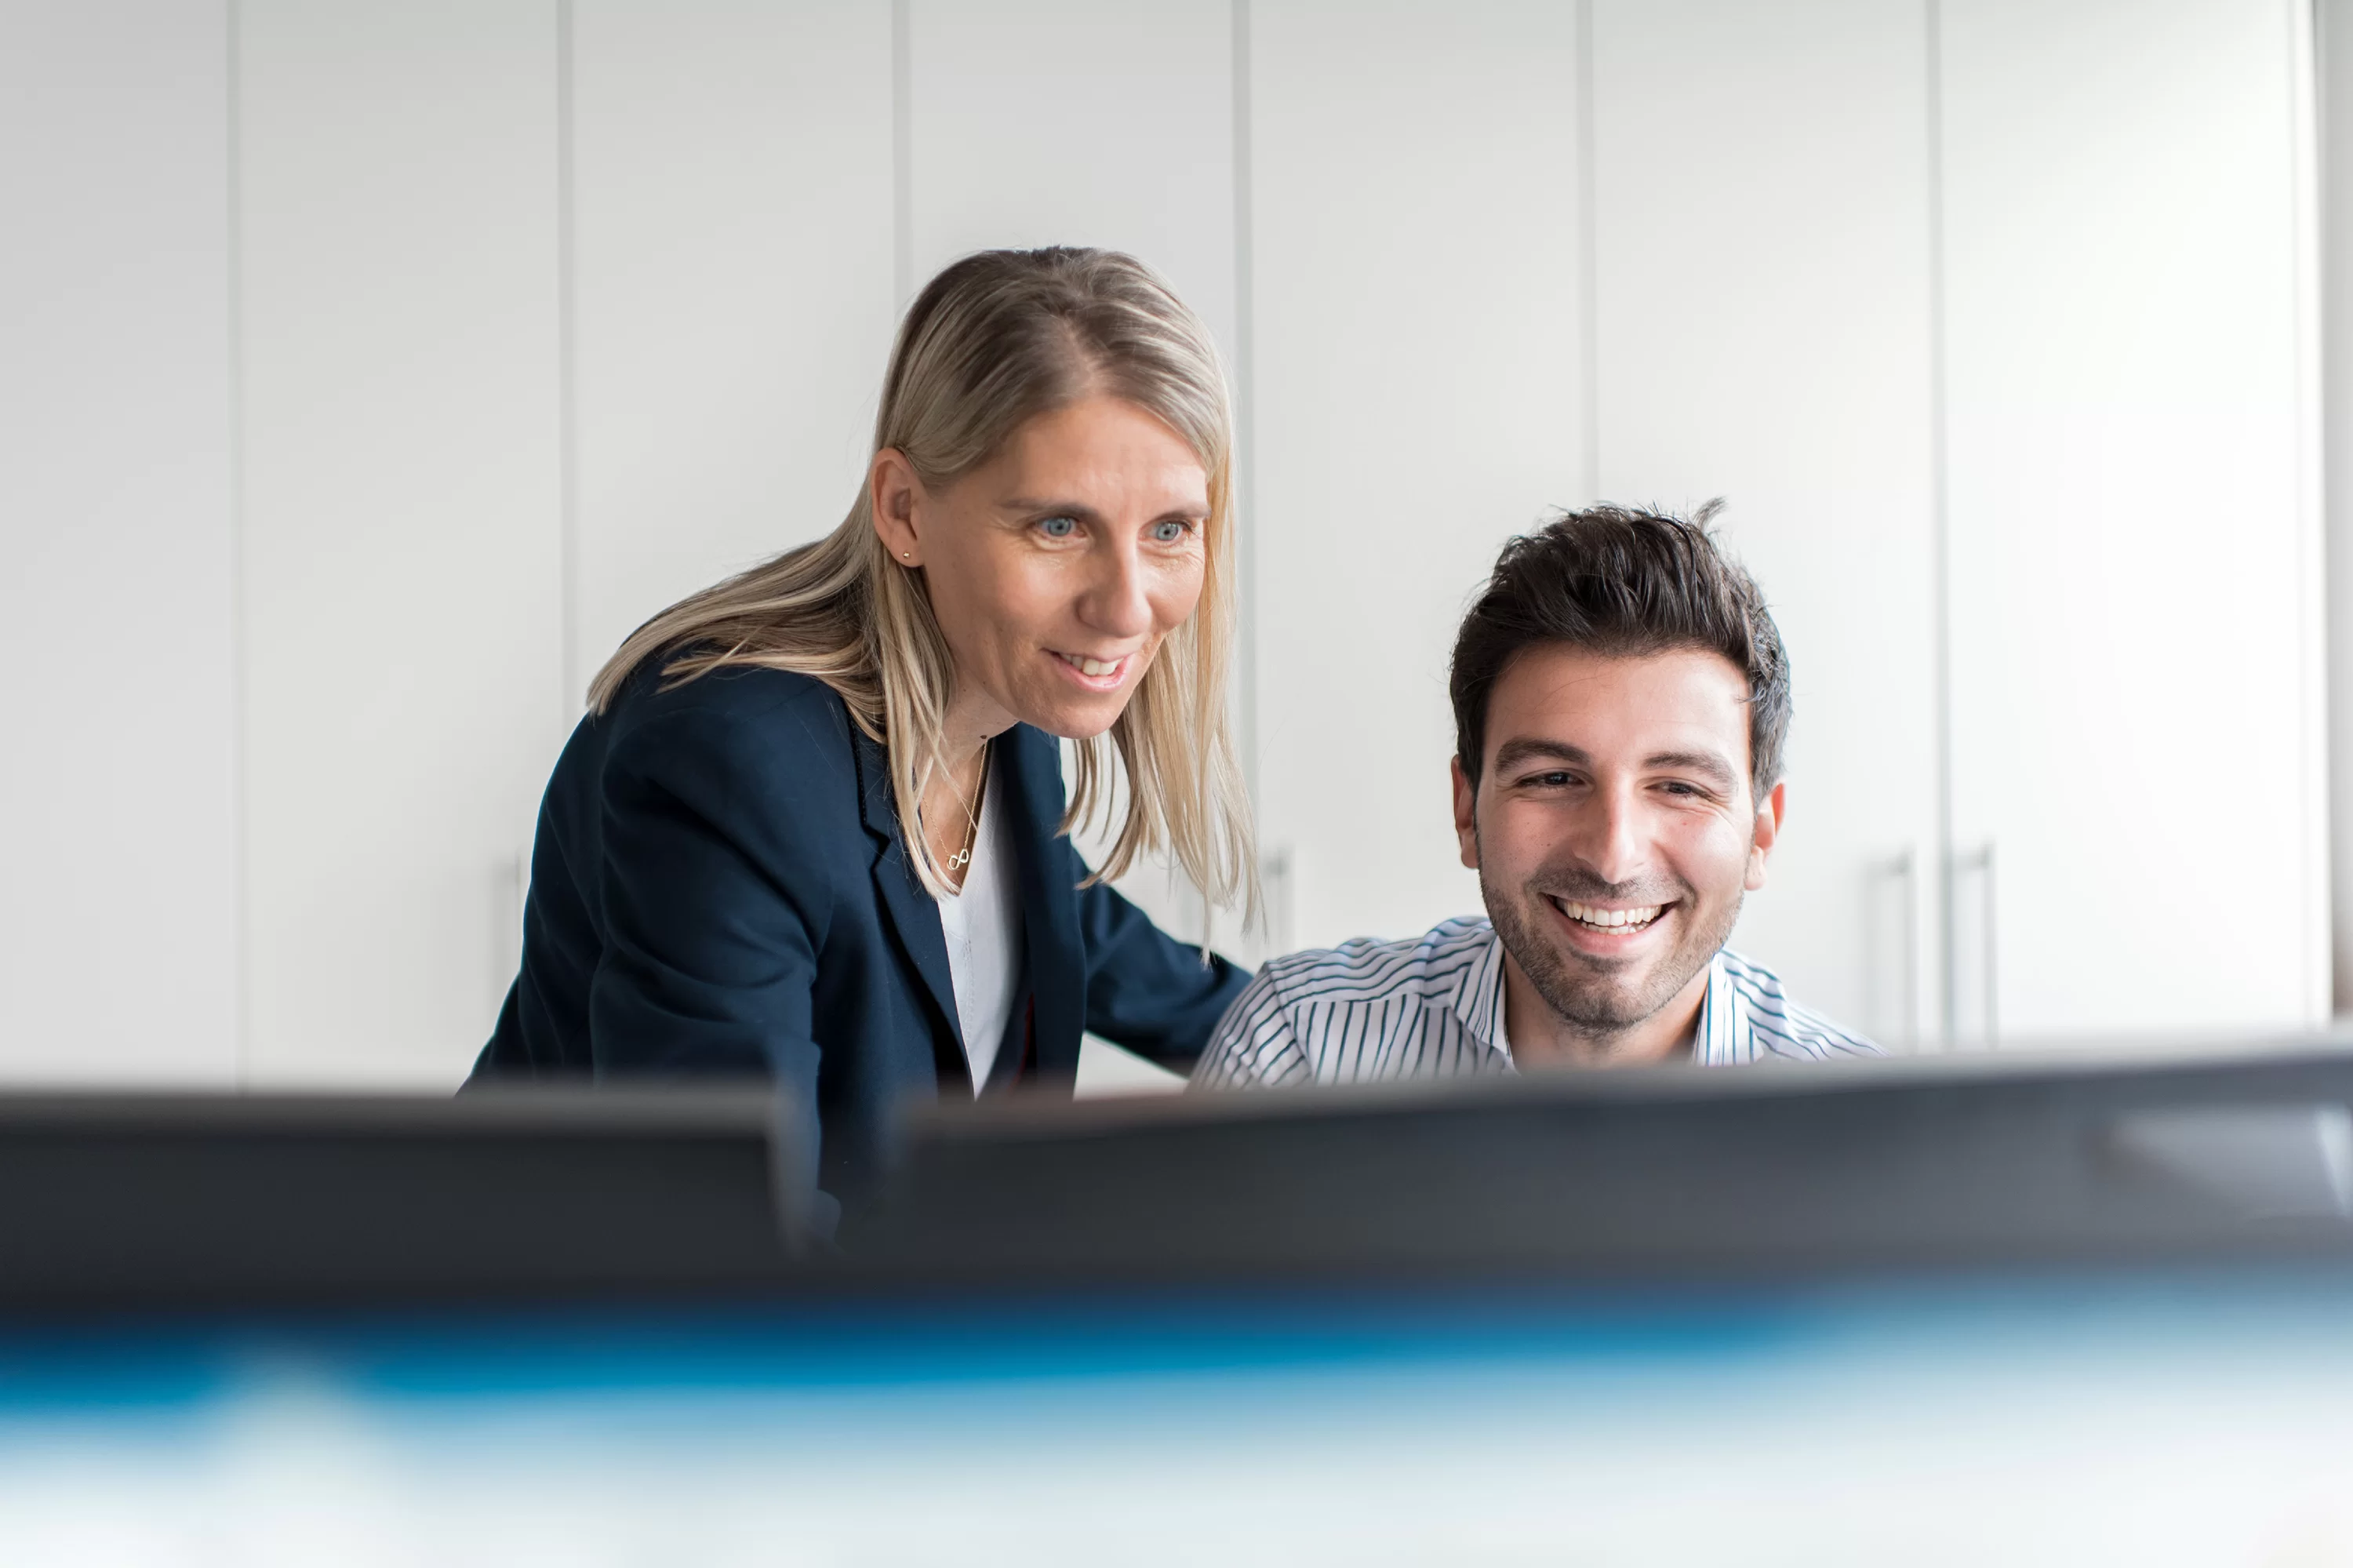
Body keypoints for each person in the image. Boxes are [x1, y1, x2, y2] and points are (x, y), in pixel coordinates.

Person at [472, 249, 1257, 1220]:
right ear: (904, 511)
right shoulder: (729, 761)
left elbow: (1078, 938)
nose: (1126, 607)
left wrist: (1377, 1029)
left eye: (1172, 530)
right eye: (1059, 526)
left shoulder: (1003, 708)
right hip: (580, 1355)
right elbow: (731, 1223)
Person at [1194, 502, 1875, 1089]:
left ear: (1760, 836)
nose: (1613, 856)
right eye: (1553, 779)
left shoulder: (1866, 1142)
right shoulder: (1300, 1053)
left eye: (1679, 787)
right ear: (1467, 810)